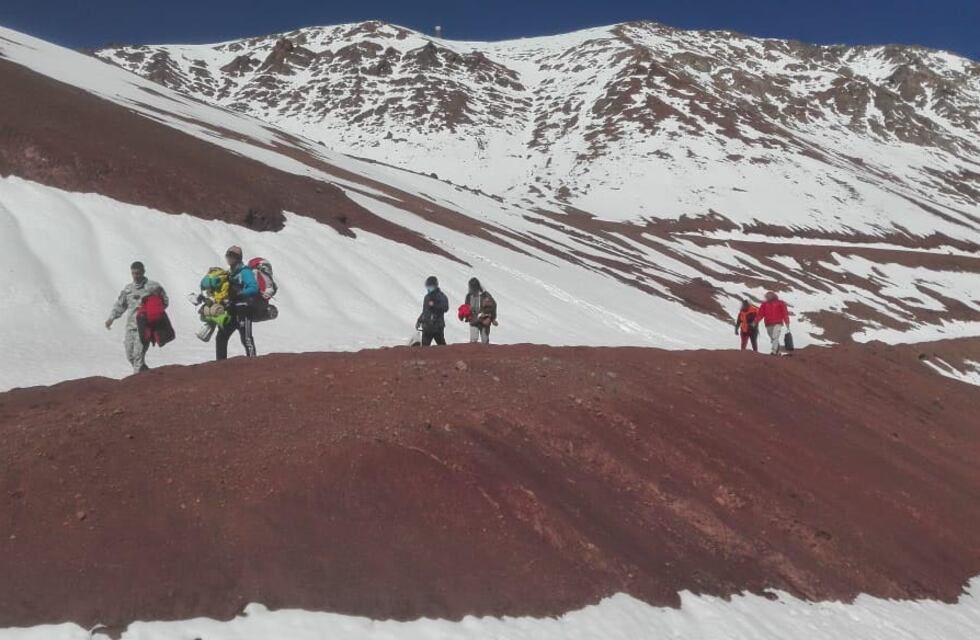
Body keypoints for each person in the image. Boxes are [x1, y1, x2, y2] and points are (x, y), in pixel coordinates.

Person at [105, 261, 169, 374]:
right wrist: (111, 318)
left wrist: (155, 312)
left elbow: (164, 301)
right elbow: (121, 305)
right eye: (133, 273)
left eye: (138, 273)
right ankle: (145, 374)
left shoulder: (153, 287)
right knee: (130, 356)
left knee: (138, 357)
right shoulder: (128, 289)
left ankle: (137, 384)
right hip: (130, 327)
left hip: (144, 327)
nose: (136, 276)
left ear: (143, 272)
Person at [215, 245, 259, 360]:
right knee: (221, 336)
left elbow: (254, 288)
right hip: (231, 309)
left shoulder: (245, 272)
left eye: (232, 256)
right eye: (228, 255)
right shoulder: (230, 273)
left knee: (246, 338)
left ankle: (253, 363)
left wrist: (240, 293)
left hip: (244, 309)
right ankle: (221, 363)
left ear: (238, 258)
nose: (229, 258)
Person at [462, 278, 498, 344]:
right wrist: (465, 315)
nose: (469, 289)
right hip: (473, 320)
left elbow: (493, 307)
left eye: (470, 287)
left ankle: (485, 353)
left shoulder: (485, 296)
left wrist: (492, 318)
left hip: (484, 321)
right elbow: (466, 307)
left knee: (485, 340)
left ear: (475, 287)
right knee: (473, 340)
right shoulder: (469, 296)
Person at [416, 275, 449, 346]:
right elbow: (425, 311)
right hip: (427, 327)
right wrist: (419, 320)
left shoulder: (441, 296)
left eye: (430, 286)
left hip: (437, 327)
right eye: (428, 286)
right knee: (424, 348)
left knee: (442, 347)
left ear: (435, 286)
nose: (428, 288)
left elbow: (445, 308)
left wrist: (434, 306)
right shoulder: (427, 297)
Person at [755, 291, 791, 355]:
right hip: (768, 324)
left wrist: (787, 323)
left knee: (775, 336)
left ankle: (774, 351)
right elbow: (760, 314)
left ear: (773, 295)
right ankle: (778, 352)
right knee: (773, 338)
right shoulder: (764, 304)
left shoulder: (780, 303)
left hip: (778, 323)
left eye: (768, 295)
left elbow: (785, 313)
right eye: (766, 296)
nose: (767, 297)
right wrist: (756, 321)